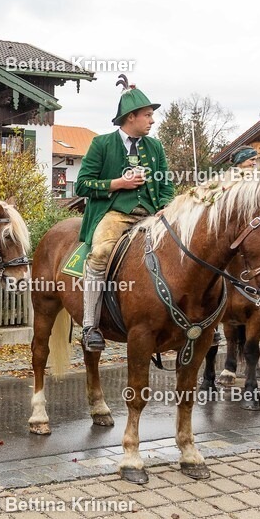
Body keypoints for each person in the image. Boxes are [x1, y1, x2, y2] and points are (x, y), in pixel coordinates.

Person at [76, 82, 176, 351]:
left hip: (153, 216)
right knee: (99, 255)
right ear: (130, 117)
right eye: (147, 115)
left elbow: (166, 185)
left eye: (152, 116)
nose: (152, 120)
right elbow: (82, 185)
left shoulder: (155, 147)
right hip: (115, 215)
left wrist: (166, 205)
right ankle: (89, 326)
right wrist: (118, 183)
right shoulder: (101, 144)